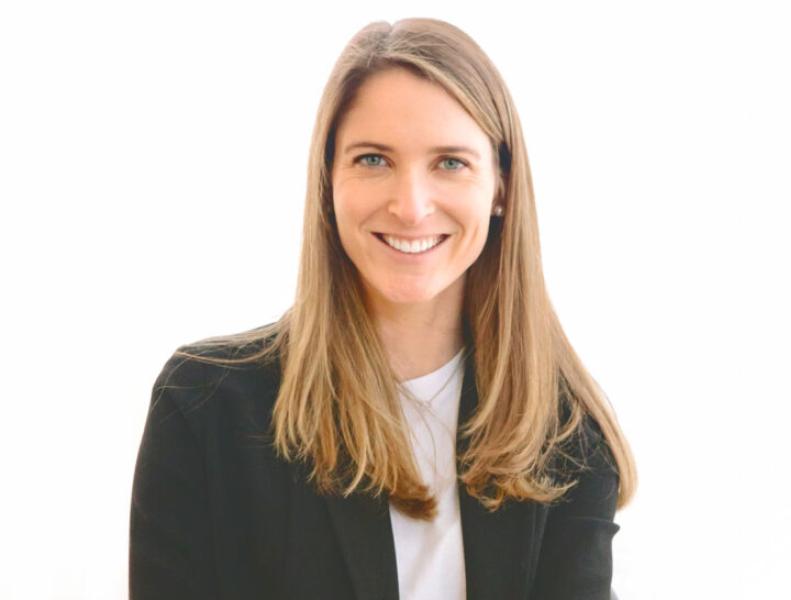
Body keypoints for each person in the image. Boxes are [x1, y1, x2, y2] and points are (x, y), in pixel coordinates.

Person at [129, 17, 637, 600]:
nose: (411, 207)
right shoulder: (205, 406)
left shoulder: (563, 428)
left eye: (450, 161)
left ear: (499, 186)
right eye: (373, 159)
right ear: (328, 180)